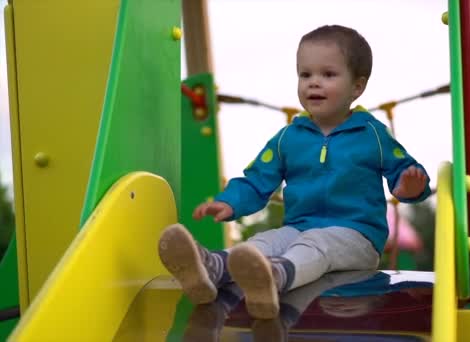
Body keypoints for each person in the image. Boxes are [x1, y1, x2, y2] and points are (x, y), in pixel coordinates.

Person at [158, 24, 431, 320]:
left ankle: (275, 275)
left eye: (328, 74)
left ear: (357, 87)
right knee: (264, 242)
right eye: (305, 74)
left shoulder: (373, 135)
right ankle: (212, 269)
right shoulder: (289, 138)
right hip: (300, 227)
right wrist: (230, 202)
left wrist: (410, 188)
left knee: (314, 244)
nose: (314, 83)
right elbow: (257, 180)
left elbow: (403, 173)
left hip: (356, 237)